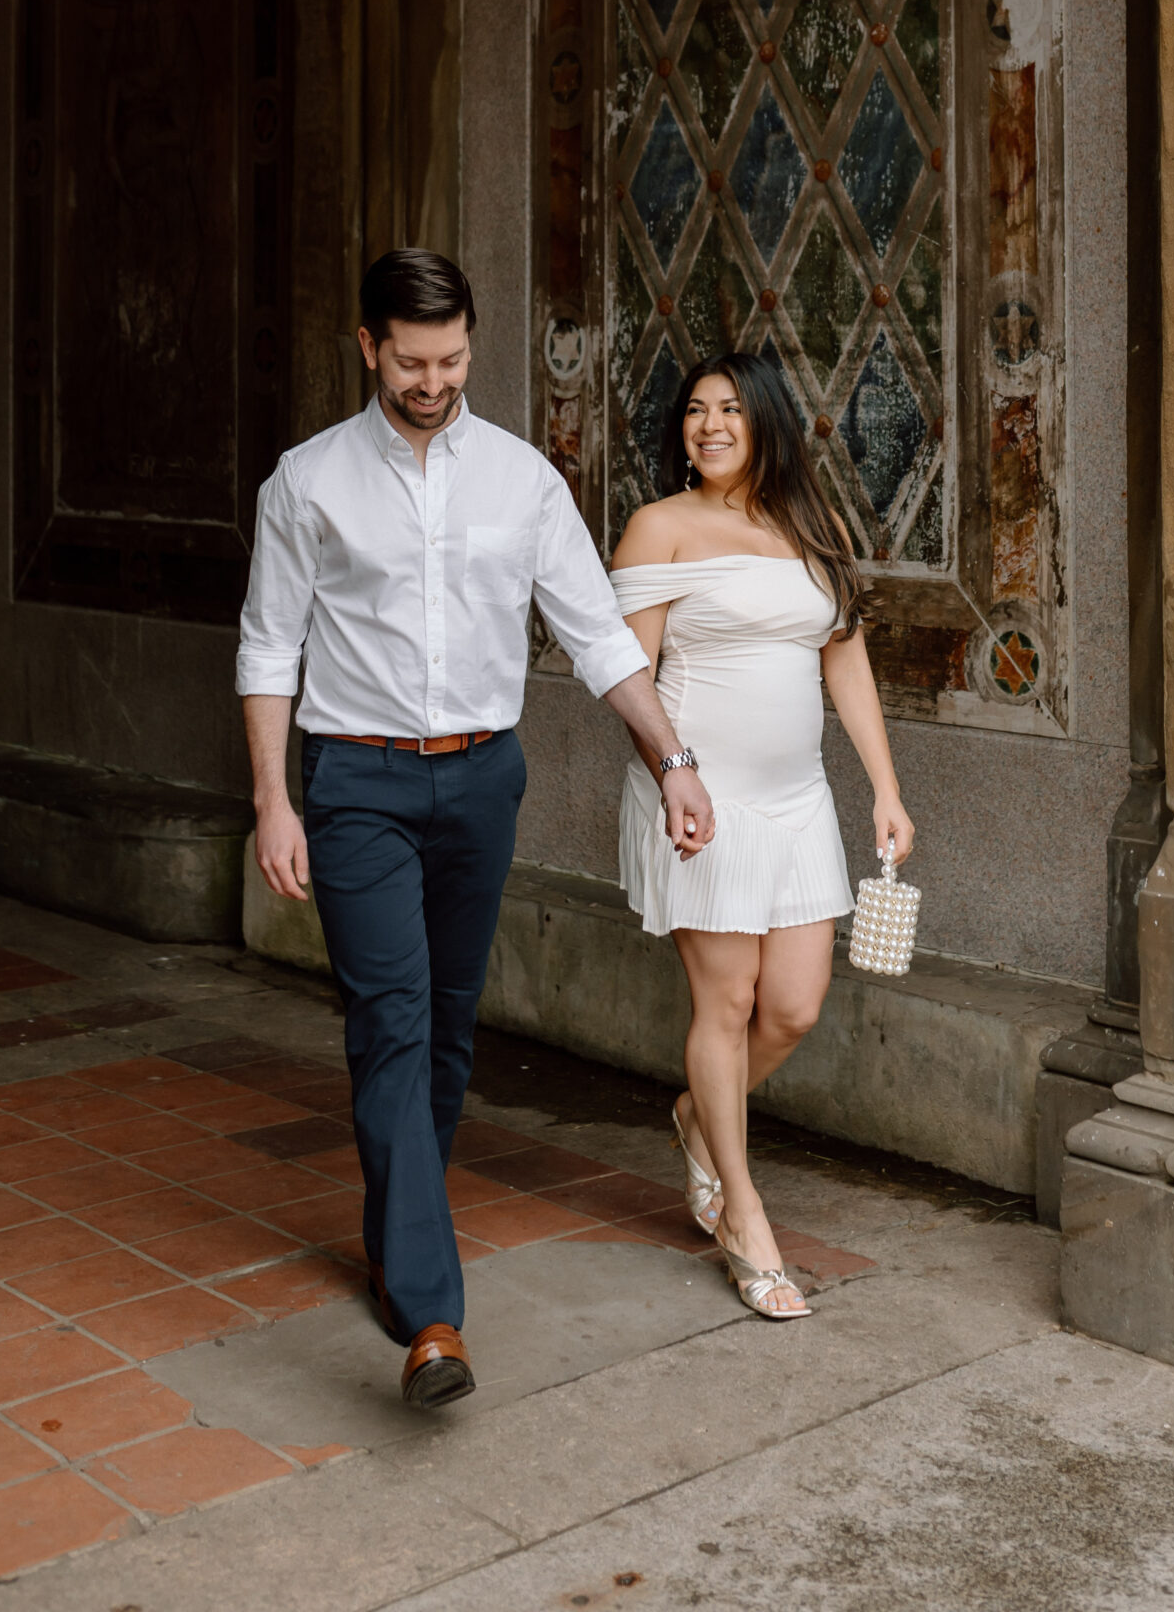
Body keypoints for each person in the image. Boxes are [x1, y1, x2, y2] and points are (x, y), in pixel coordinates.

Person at [236, 250, 711, 1407]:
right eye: (410, 361)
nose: (432, 380)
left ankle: (399, 1241)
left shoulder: (523, 482)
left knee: (448, 1028)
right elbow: (268, 645)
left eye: (450, 359)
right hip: (356, 784)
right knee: (391, 1023)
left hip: (483, 780)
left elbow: (597, 634)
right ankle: (434, 1314)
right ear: (368, 347)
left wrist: (674, 757)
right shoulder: (306, 482)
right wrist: (272, 798)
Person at [611, 350, 914, 1321]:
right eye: (695, 410)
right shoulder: (658, 528)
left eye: (730, 409)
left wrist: (884, 787)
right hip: (703, 802)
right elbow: (630, 674)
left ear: (768, 420)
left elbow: (846, 656)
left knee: (790, 1008)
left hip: (798, 804)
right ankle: (743, 1216)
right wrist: (672, 772)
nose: (709, 425)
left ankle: (701, 1117)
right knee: (726, 996)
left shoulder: (812, 526)